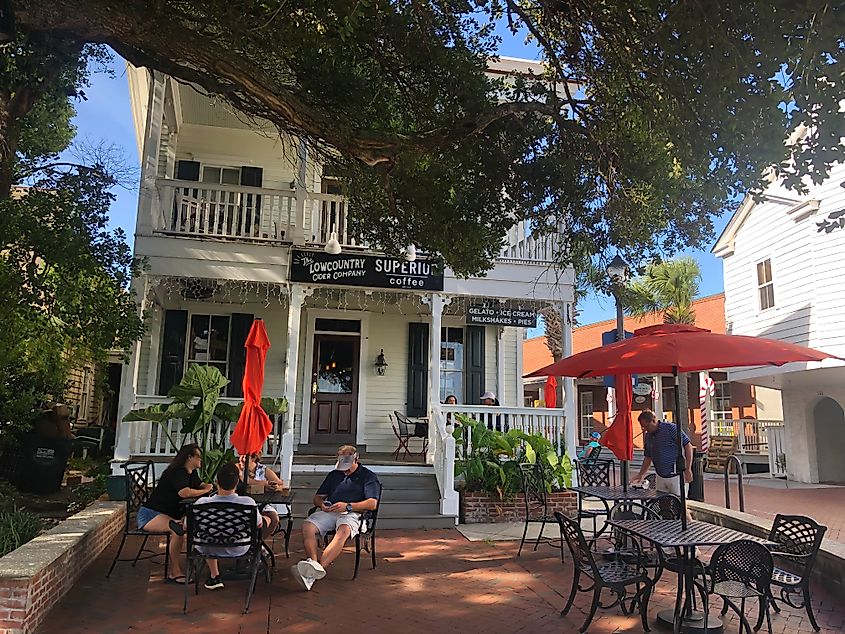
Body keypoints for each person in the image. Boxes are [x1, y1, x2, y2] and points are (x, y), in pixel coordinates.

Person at [291, 445, 380, 591]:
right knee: (308, 526)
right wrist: (322, 505)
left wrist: (348, 506)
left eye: (347, 466)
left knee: (343, 530)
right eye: (342, 466)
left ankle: (314, 572)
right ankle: (313, 563)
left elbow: (372, 503)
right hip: (331, 510)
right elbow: (318, 497)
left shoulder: (368, 477)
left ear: (356, 459)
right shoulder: (334, 474)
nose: (344, 470)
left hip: (354, 513)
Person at [136, 443, 213, 583]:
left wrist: (207, 486)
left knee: (195, 525)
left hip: (168, 514)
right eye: (199, 457)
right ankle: (174, 572)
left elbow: (199, 484)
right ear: (190, 457)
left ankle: (199, 563)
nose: (201, 459)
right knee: (177, 530)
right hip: (150, 514)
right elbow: (184, 492)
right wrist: (205, 491)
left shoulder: (191, 472)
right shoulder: (177, 472)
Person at [193, 462, 264, 590]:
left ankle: (215, 575)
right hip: (238, 548)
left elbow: (189, 525)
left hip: (207, 547)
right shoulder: (248, 503)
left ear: (216, 482)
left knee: (208, 534)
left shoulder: (201, 503)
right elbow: (259, 524)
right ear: (237, 483)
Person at [632, 410, 693, 497]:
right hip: (660, 476)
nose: (645, 429)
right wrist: (641, 474)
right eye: (643, 427)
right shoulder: (648, 436)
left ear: (653, 420)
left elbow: (688, 445)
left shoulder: (671, 428)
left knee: (678, 503)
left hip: (675, 475)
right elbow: (648, 457)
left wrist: (688, 468)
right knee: (662, 504)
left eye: (646, 426)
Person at [238, 452, 283, 535]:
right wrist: (265, 483)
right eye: (240, 456)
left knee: (274, 518)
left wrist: (275, 487)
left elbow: (280, 484)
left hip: (262, 503)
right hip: (244, 504)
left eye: (243, 457)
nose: (240, 459)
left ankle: (259, 542)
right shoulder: (239, 468)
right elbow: (246, 480)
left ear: (253, 458)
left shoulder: (263, 469)